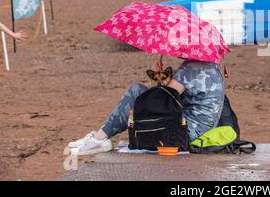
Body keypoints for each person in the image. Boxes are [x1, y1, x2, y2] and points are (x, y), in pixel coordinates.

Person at [67, 58, 232, 156]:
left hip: (185, 134)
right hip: (201, 129)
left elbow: (163, 99)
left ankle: (100, 138)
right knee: (140, 91)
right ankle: (101, 135)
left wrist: (156, 78)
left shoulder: (190, 68)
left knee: (136, 90)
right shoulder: (211, 66)